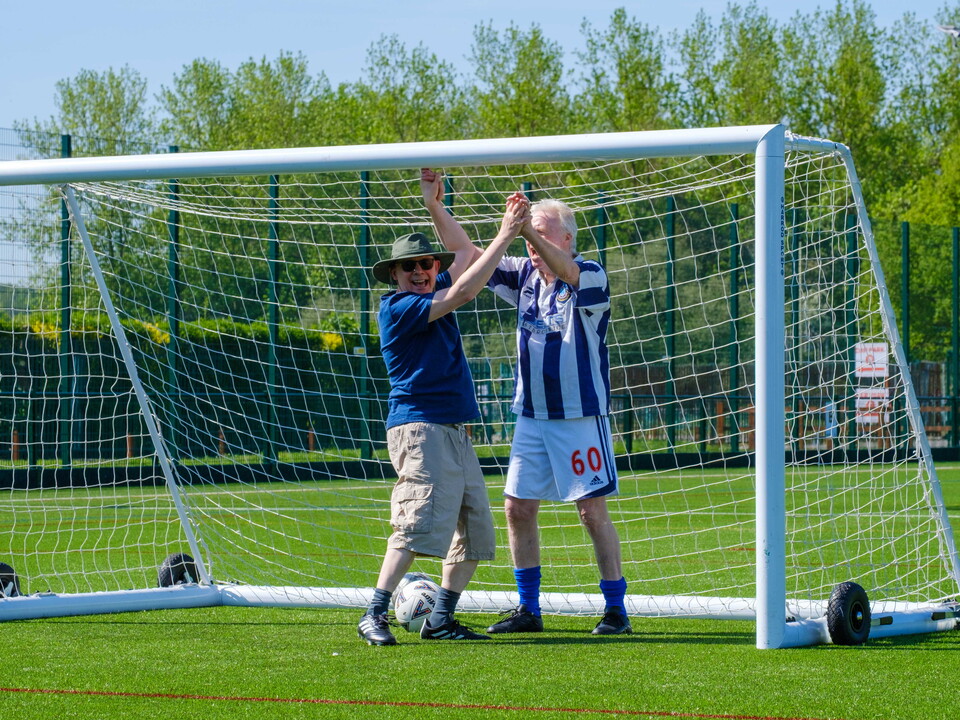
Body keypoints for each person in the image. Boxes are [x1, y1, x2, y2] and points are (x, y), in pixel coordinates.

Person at [420, 169, 630, 636]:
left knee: (591, 511)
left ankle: (616, 610)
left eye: (541, 233)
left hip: (580, 417)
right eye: (528, 235)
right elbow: (467, 254)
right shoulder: (523, 277)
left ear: (568, 237)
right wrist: (436, 206)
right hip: (532, 417)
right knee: (517, 507)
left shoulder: (589, 273)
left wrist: (524, 226)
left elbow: (568, 271)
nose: (531, 245)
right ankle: (528, 609)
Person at [357, 177, 530, 646]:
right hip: (420, 429)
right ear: (393, 274)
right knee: (416, 525)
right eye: (409, 266)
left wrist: (434, 206)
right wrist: (508, 234)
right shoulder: (397, 307)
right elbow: (464, 291)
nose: (420, 270)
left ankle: (440, 620)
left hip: (453, 431)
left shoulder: (434, 286)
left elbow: (465, 254)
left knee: (476, 533)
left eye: (427, 263)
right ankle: (374, 612)